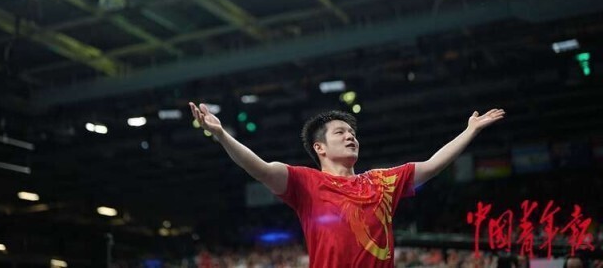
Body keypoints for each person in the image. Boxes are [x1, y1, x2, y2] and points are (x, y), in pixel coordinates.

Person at [189, 102, 505, 268]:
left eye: (352, 133)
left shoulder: (382, 181)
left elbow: (432, 165)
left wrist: (470, 131)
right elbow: (259, 168)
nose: (350, 136)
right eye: (340, 133)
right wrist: (221, 135)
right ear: (320, 148)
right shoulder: (305, 182)